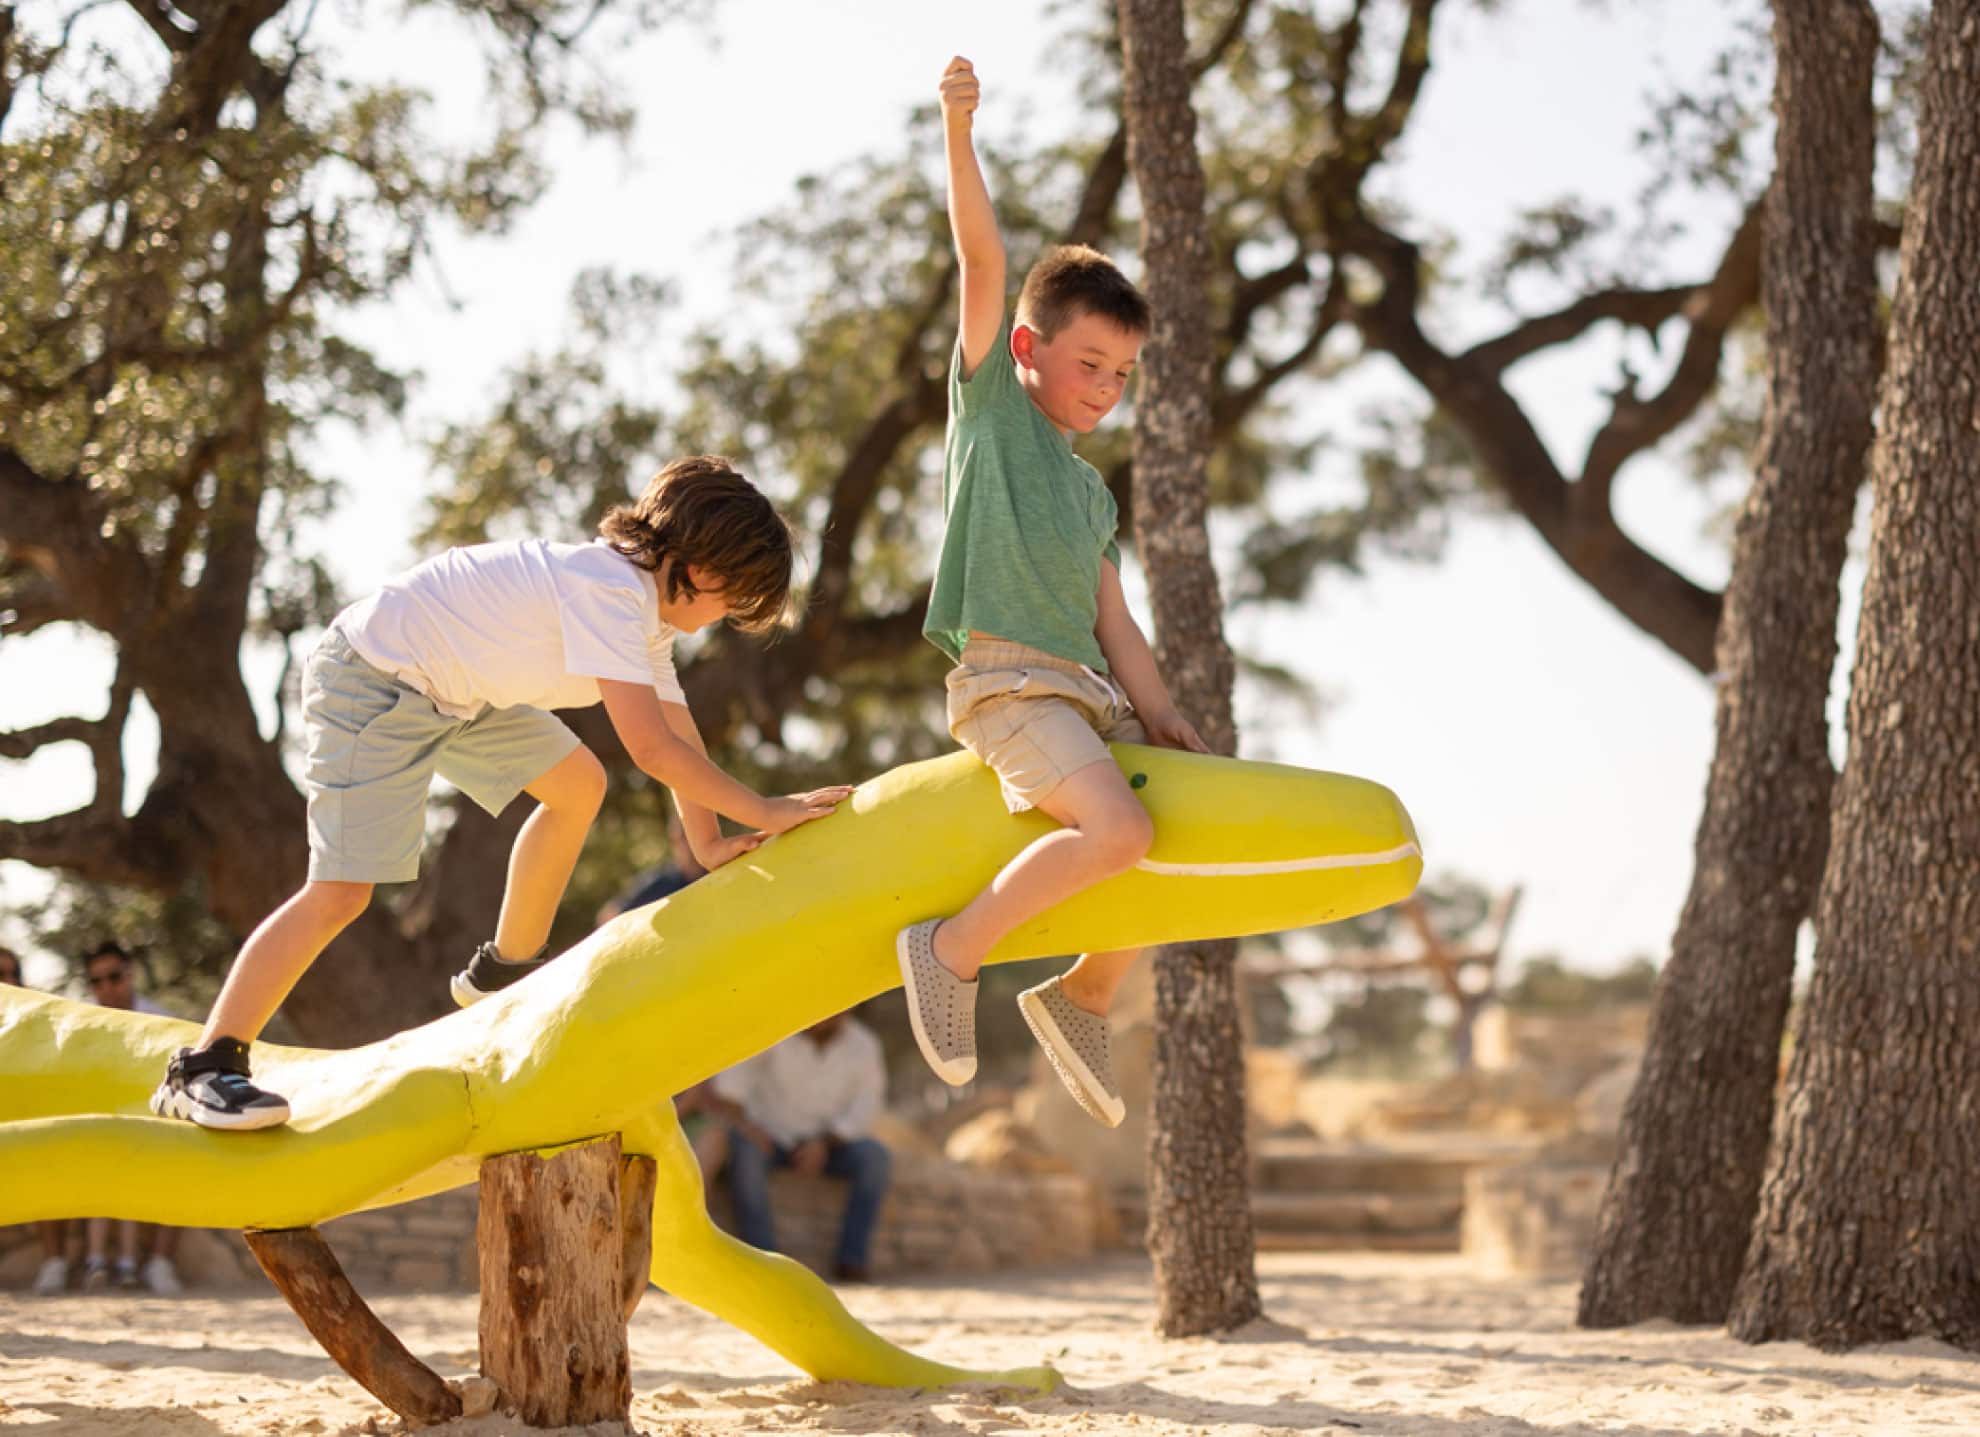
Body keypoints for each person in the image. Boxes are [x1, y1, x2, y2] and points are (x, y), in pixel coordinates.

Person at [150, 456, 851, 1132]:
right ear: (701, 571)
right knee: (342, 891)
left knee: (579, 784)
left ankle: (503, 969)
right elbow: (649, 746)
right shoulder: (609, 587)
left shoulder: (644, 614)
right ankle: (206, 1062)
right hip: (375, 678)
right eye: (732, 603)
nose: (723, 619)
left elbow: (678, 729)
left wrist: (706, 842)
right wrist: (765, 810)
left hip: (459, 694)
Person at [894, 57, 1210, 1129]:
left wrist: (1162, 714)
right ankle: (949, 950)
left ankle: (1083, 994)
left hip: (1088, 693)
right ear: (1028, 349)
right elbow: (980, 257)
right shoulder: (992, 410)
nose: (1106, 390)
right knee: (1118, 834)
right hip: (1011, 686)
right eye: (1089, 364)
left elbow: (1115, 619)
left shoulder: (1087, 494)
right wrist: (959, 126)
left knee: (1182, 832)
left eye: (1121, 376)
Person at [706, 1013, 891, 1282]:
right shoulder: (773, 1030)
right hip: (769, 1139)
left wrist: (824, 1143)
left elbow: (866, 1108)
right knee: (745, 1155)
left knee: (875, 1158)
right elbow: (731, 1088)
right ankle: (764, 1259)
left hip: (830, 1144)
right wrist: (749, 1128)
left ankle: (852, 1261)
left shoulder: (864, 1046)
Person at [79, 942, 185, 1293]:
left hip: (152, 1122)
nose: (107, 988)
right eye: (98, 981)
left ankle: (152, 1263)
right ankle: (97, 1262)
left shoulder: (160, 1020)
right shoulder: (81, 1024)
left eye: (114, 977)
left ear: (129, 974)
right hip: (102, 1126)